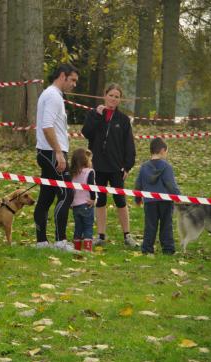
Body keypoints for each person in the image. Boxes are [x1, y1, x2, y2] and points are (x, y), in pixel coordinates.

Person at [81, 84, 137, 248]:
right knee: (100, 200)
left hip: (116, 167)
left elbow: (129, 146)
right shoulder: (94, 114)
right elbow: (86, 133)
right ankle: (100, 235)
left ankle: (127, 235)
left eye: (117, 96)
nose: (113, 99)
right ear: (105, 96)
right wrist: (98, 115)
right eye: (111, 95)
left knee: (120, 200)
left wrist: (127, 167)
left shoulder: (123, 120)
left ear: (120, 100)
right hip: (97, 166)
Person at [34, 64, 79, 252]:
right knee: (67, 193)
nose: (74, 84)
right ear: (62, 76)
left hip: (47, 152)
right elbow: (47, 126)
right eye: (73, 80)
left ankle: (42, 242)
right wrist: (59, 153)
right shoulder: (52, 96)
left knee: (47, 196)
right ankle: (60, 242)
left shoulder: (51, 94)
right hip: (52, 153)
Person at [134, 138, 180, 255]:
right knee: (166, 225)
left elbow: (138, 184)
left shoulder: (144, 167)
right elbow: (170, 185)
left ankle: (147, 249)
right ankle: (168, 249)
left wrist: (138, 199)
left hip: (149, 202)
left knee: (150, 225)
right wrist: (178, 196)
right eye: (166, 151)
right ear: (162, 150)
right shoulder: (167, 167)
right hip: (165, 201)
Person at [70, 148, 96, 252]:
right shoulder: (89, 172)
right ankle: (87, 249)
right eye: (90, 160)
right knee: (88, 227)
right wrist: (93, 199)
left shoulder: (73, 173)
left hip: (75, 205)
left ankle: (76, 248)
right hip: (86, 203)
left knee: (78, 227)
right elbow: (91, 186)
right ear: (86, 160)